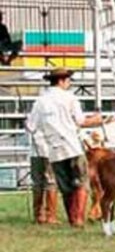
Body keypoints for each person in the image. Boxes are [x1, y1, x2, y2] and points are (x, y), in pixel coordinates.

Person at [25, 68, 104, 226]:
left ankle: (71, 218)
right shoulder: (70, 98)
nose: (69, 83)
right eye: (68, 80)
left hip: (54, 149)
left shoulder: (40, 101)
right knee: (81, 181)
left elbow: (30, 126)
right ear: (61, 81)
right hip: (72, 146)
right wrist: (97, 120)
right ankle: (79, 218)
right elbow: (81, 121)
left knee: (65, 186)